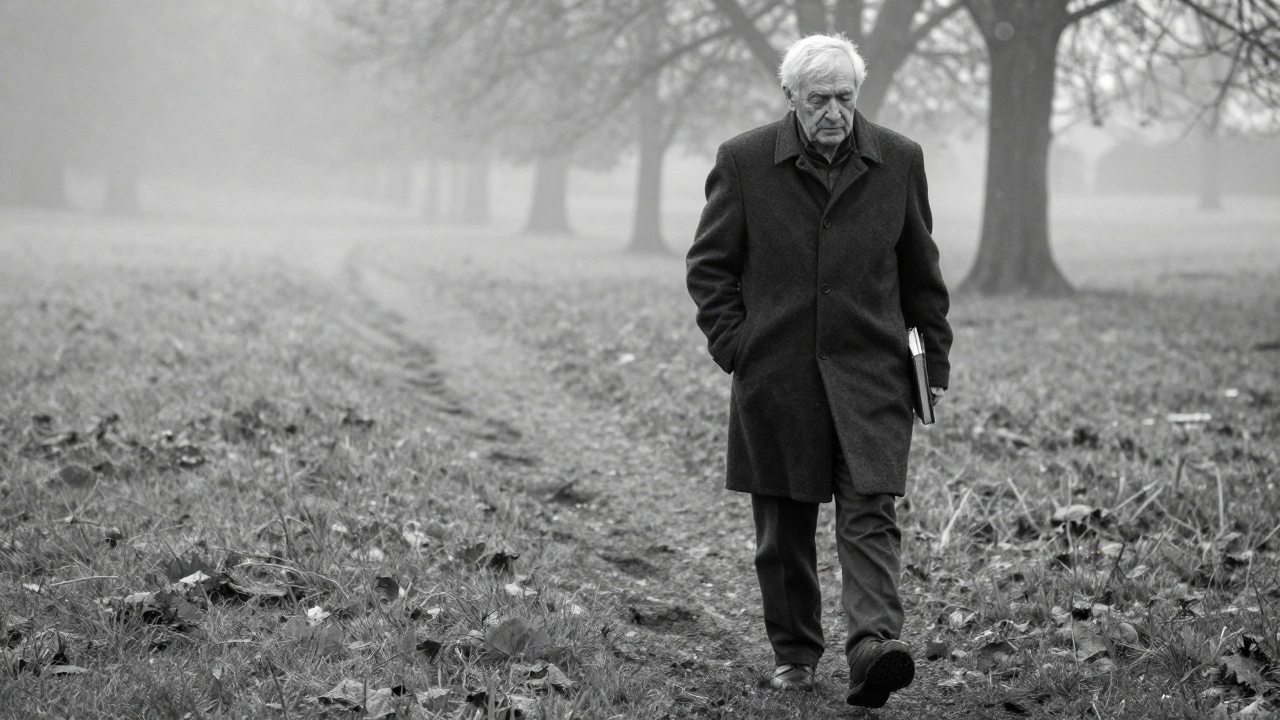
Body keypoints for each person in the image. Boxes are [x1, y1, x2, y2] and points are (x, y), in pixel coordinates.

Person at [684, 33, 952, 709]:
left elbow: (921, 272)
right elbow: (709, 268)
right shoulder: (744, 161)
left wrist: (932, 362)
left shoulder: (899, 159)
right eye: (819, 100)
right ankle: (796, 655)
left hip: (873, 373)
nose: (834, 112)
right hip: (777, 375)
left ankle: (873, 648)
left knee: (871, 514)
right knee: (784, 529)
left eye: (845, 98)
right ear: (791, 98)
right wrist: (739, 347)